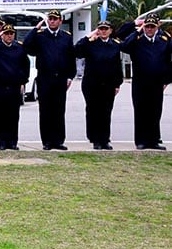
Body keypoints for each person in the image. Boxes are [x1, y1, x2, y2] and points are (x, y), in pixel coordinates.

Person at [23, 10, 76, 150]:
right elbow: (26, 45)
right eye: (50, 19)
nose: (52, 21)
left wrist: (71, 76)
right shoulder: (40, 36)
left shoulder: (66, 37)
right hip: (45, 78)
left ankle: (58, 141)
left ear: (60, 21)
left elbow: (71, 57)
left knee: (59, 110)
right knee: (45, 110)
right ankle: (47, 141)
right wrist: (36, 28)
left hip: (61, 79)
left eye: (55, 19)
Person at [120, 14, 171, 150]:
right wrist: (137, 28)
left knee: (155, 112)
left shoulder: (164, 40)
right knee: (141, 111)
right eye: (147, 26)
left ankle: (154, 141)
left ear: (156, 27)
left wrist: (167, 79)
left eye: (152, 27)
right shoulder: (137, 41)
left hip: (157, 82)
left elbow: (169, 61)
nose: (149, 29)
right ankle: (141, 141)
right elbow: (123, 44)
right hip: (140, 82)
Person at [74, 21, 123, 150]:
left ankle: (105, 139)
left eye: (106, 29)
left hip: (108, 84)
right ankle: (95, 138)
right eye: (101, 29)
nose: (103, 31)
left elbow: (118, 65)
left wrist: (118, 83)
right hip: (92, 84)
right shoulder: (90, 43)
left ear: (111, 30)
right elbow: (77, 50)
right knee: (93, 111)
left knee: (106, 112)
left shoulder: (115, 45)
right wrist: (88, 36)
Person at [0, 25, 30, 150]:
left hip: (14, 87)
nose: (9, 36)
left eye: (11, 33)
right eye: (6, 33)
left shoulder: (19, 48)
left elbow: (25, 65)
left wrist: (23, 81)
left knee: (13, 116)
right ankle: (1, 141)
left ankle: (12, 142)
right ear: (2, 35)